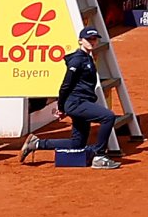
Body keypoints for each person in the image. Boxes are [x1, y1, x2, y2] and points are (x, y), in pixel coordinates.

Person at [19, 28, 122, 169]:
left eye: (94, 39)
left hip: (81, 102)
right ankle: (99, 155)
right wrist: (62, 107)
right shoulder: (77, 61)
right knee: (108, 116)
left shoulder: (88, 57)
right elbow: (65, 86)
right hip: (76, 103)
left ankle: (36, 143)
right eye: (89, 39)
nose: (92, 42)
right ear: (80, 41)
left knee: (77, 144)